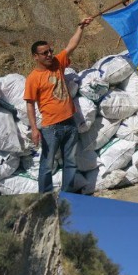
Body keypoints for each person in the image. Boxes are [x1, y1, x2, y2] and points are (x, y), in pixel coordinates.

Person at [25, 16, 94, 194]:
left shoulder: (57, 63)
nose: (49, 55)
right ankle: (45, 199)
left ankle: (68, 196)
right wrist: (34, 129)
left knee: (70, 163)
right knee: (46, 165)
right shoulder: (33, 78)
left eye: (50, 51)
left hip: (70, 123)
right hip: (50, 128)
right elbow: (30, 105)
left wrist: (81, 27)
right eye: (44, 53)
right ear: (35, 56)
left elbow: (71, 46)